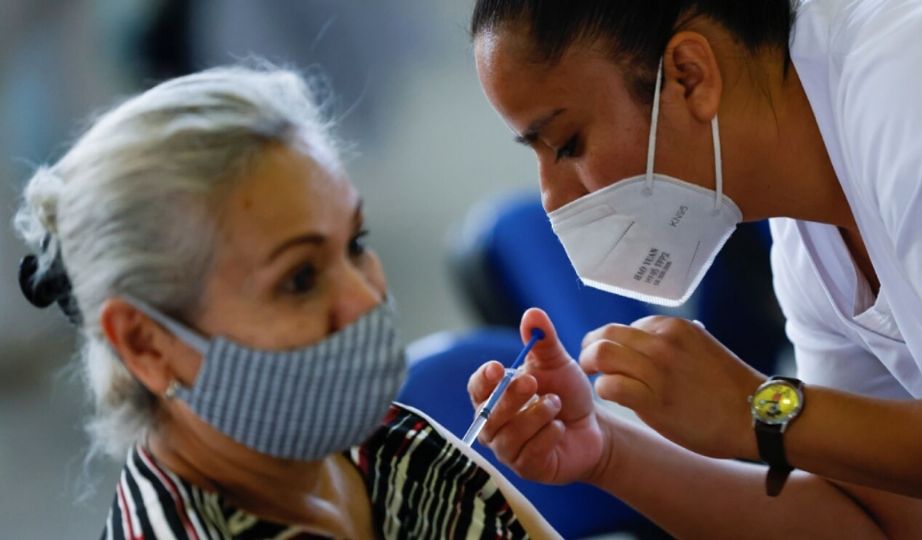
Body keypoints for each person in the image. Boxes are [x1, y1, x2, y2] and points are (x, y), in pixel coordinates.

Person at [466, 0, 922, 537]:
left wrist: (759, 411)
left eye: (568, 145)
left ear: (688, 75)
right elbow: (883, 526)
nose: (552, 200)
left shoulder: (920, 89)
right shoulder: (807, 243)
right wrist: (608, 452)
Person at [15, 64, 557, 539]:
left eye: (356, 246)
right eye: (299, 279)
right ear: (146, 344)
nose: (365, 299)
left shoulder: (378, 442)